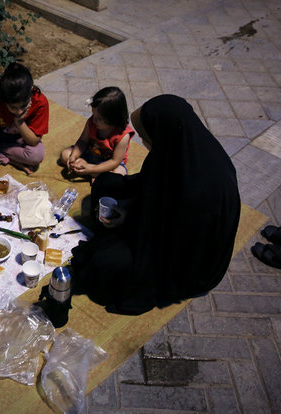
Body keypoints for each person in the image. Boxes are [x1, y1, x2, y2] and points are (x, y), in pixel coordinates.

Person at [70, 94, 241, 315]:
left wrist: (128, 218)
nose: (143, 142)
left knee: (103, 262)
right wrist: (130, 208)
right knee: (105, 183)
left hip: (182, 256)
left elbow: (169, 233)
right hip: (163, 219)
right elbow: (150, 185)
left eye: (145, 137)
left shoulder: (199, 187)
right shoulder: (178, 146)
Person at [59, 86, 134, 181]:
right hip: (90, 154)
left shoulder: (123, 136)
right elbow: (82, 142)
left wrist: (91, 168)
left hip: (108, 163)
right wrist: (74, 156)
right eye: (93, 115)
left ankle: (94, 173)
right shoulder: (92, 122)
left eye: (99, 118)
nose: (94, 119)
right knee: (65, 155)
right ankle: (95, 174)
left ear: (113, 118)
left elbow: (115, 161)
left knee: (119, 174)